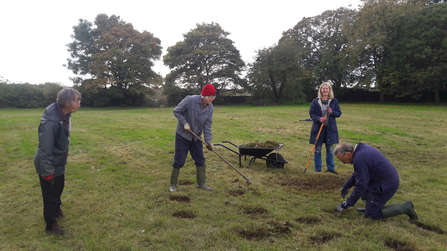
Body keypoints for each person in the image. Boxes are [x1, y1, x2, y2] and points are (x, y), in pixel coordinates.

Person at [34, 88, 81, 235]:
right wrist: (47, 172)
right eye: (77, 101)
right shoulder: (51, 123)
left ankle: (56, 209)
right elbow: (45, 150)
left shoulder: (64, 115)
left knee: (58, 188)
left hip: (58, 162)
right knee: (50, 195)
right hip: (48, 164)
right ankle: (50, 225)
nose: (79, 104)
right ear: (68, 103)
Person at [334, 142, 418, 220]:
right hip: (381, 181)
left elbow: (361, 184)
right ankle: (371, 205)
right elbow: (358, 174)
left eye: (342, 160)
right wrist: (346, 186)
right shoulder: (362, 150)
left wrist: (348, 203)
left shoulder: (359, 159)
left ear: (348, 154)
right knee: (362, 185)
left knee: (371, 215)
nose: (343, 163)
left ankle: (405, 207)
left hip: (386, 185)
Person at [169, 84, 217, 192]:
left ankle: (201, 184)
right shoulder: (190, 100)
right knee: (179, 160)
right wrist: (184, 123)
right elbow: (176, 111)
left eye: (214, 97)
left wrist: (208, 141)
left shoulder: (210, 107)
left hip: (196, 138)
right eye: (210, 96)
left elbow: (207, 125)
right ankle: (173, 185)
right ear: (204, 96)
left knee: (200, 160)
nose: (212, 99)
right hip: (183, 135)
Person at [309, 82, 341, 174]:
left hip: (330, 129)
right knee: (318, 149)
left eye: (327, 88)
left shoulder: (334, 101)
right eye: (323, 89)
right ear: (320, 90)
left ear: (329, 90)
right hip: (318, 128)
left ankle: (331, 168)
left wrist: (332, 112)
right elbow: (312, 114)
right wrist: (319, 118)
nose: (325, 90)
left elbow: (338, 113)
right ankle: (318, 168)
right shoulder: (315, 101)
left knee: (330, 150)